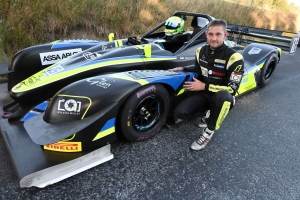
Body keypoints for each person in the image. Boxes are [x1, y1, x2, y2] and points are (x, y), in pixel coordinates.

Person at [169, 19, 244, 151]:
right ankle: (208, 112)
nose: (214, 38)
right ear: (206, 34)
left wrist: (204, 86)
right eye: (210, 34)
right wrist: (183, 69)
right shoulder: (200, 51)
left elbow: (232, 89)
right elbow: (199, 71)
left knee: (223, 97)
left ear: (225, 35)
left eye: (218, 34)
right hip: (204, 93)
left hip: (223, 96)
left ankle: (209, 132)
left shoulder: (235, 57)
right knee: (180, 112)